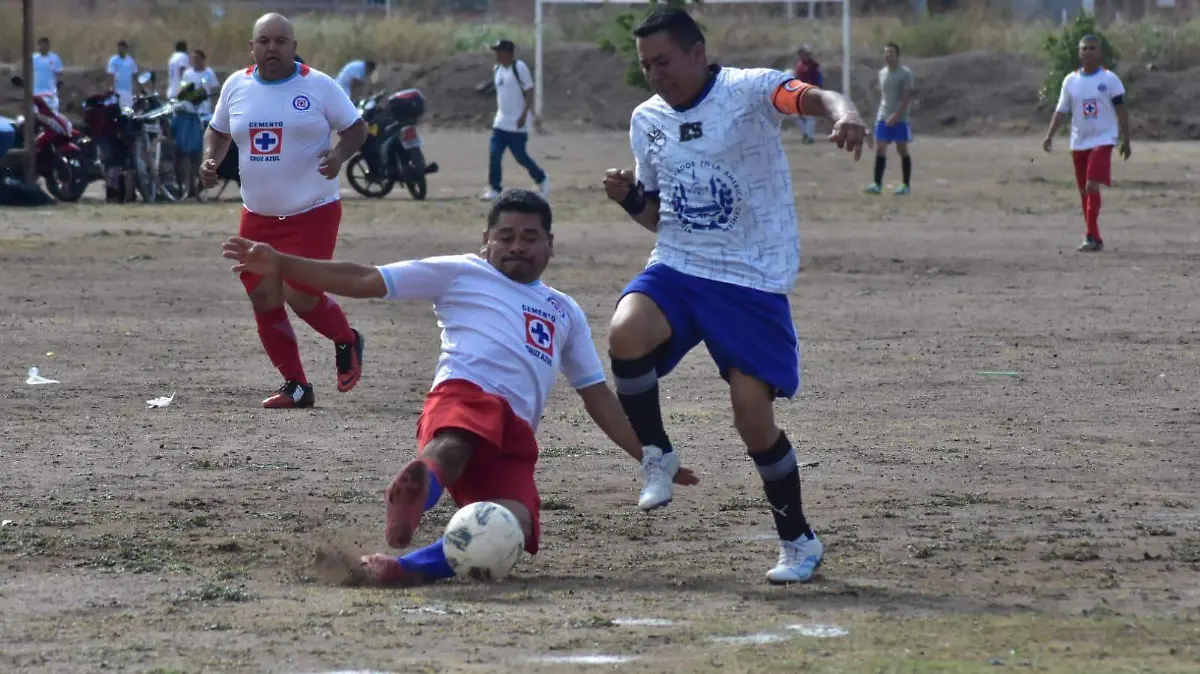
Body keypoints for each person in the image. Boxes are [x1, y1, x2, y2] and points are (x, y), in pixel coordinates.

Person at [220, 189, 700, 586]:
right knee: (457, 442)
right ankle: (419, 488)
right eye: (506, 236)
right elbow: (367, 278)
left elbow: (597, 396)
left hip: (513, 437)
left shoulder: (564, 311)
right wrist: (283, 264)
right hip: (462, 399)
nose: (517, 246)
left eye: (530, 238)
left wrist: (649, 455)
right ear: (485, 240)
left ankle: (401, 569)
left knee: (518, 522)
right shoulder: (461, 271)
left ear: (550, 245)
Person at [600, 8, 867, 585]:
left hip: (750, 277)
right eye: (646, 66)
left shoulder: (748, 90)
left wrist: (845, 114)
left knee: (752, 419)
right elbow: (660, 218)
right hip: (679, 266)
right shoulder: (645, 120)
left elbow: (817, 98)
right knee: (625, 331)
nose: (655, 74)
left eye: (664, 61)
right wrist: (627, 199)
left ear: (697, 52)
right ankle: (657, 453)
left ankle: (797, 538)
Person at [200, 12, 369, 408]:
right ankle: (296, 385)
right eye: (264, 41)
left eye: (280, 41)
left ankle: (346, 339)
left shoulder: (318, 85)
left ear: (293, 46)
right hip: (257, 215)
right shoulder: (236, 86)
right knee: (263, 296)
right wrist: (210, 160)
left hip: (313, 211)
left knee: (300, 293)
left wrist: (340, 154)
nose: (272, 48)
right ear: (252, 47)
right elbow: (218, 130)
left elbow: (357, 127)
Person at [1042, 34, 1131, 253]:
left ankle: (1090, 236)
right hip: (1079, 141)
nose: (1088, 52)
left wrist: (1126, 139)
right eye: (1084, 48)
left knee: (1092, 185)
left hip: (1103, 139)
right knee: (1084, 190)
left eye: (1092, 48)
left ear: (1099, 52)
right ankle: (1095, 235)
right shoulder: (1070, 81)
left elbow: (1121, 111)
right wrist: (1049, 135)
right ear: (1079, 52)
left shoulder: (1110, 80)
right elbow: (1061, 111)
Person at [481, 39, 548, 201]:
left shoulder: (519, 68)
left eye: (499, 51)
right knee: (494, 154)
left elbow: (529, 92)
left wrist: (524, 115)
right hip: (501, 122)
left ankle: (541, 178)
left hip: (518, 123)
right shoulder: (497, 69)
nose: (497, 54)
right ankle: (495, 188)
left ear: (508, 53)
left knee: (520, 156)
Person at [865, 42, 914, 196]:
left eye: (891, 52)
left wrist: (896, 115)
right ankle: (877, 184)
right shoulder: (882, 73)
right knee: (880, 148)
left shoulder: (905, 73)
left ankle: (905, 185)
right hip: (883, 115)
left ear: (897, 55)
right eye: (885, 52)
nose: (887, 55)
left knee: (902, 149)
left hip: (900, 117)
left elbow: (907, 98)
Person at [175, 49, 218, 198]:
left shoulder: (209, 73)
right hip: (191, 114)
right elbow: (182, 92)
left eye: (197, 59)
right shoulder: (187, 74)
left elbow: (213, 92)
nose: (194, 61)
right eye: (192, 59)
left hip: (205, 114)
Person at [791, 45, 823, 144]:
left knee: (809, 116)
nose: (801, 55)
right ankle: (806, 134)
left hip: (810, 92)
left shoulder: (813, 65)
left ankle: (809, 137)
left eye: (803, 53)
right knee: (795, 115)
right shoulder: (798, 65)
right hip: (799, 92)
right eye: (800, 54)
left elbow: (817, 79)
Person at [32, 37, 64, 113]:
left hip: (50, 91)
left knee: (52, 113)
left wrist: (53, 70)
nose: (44, 48)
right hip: (36, 91)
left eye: (46, 46)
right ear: (38, 46)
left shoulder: (54, 58)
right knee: (36, 114)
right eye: (42, 46)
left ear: (49, 46)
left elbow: (59, 72)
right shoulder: (33, 58)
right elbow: (28, 72)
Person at [106, 40, 139, 108]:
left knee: (128, 110)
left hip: (128, 91)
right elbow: (110, 75)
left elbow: (135, 75)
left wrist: (137, 91)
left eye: (123, 48)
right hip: (117, 91)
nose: (121, 50)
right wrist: (111, 89)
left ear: (126, 49)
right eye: (119, 48)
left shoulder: (130, 61)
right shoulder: (113, 61)